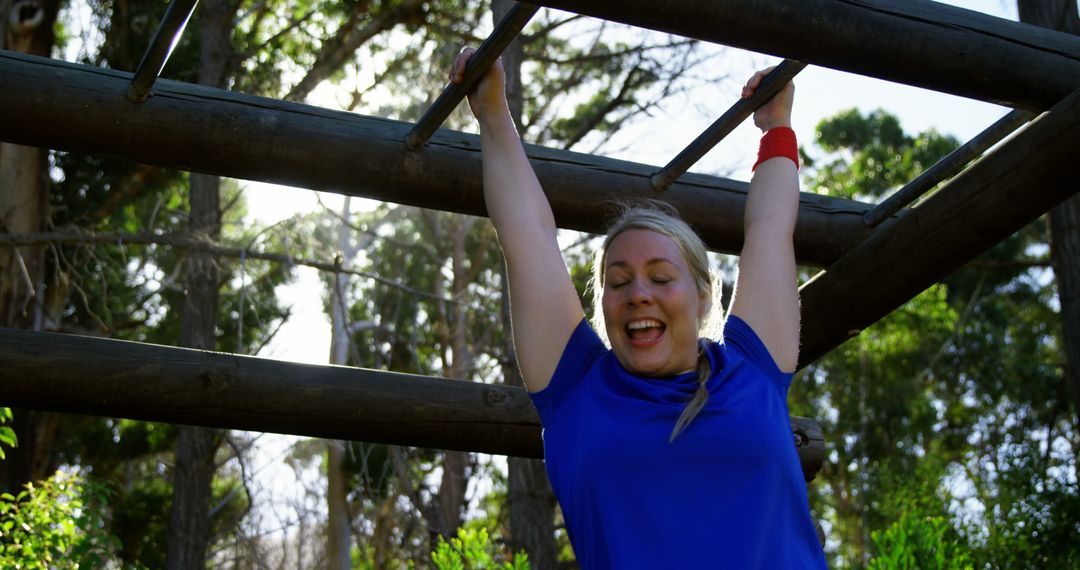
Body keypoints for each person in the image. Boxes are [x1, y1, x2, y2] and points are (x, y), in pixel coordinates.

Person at [451, 48, 828, 569]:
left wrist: (776, 128)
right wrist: (492, 109)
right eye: (618, 281)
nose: (638, 294)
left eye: (661, 277)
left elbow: (769, 229)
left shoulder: (753, 367)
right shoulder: (575, 387)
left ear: (702, 295)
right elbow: (527, 234)